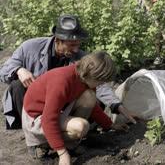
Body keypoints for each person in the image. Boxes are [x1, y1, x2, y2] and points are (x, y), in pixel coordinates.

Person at [0, 14, 137, 130]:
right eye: (72, 45)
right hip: (37, 104)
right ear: (58, 40)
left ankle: (72, 131)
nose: (76, 50)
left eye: (78, 44)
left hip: (62, 102)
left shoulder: (81, 58)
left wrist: (116, 105)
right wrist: (19, 70)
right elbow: (4, 71)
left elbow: (98, 83)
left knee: (91, 94)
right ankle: (33, 130)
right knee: (17, 86)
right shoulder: (30, 47)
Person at [22, 51, 128, 164]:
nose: (101, 84)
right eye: (100, 81)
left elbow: (93, 107)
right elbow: (48, 119)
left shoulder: (84, 78)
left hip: (54, 112)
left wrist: (110, 125)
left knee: (90, 96)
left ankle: (69, 144)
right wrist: (62, 153)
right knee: (81, 126)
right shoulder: (61, 81)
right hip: (36, 117)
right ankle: (41, 144)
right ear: (90, 74)